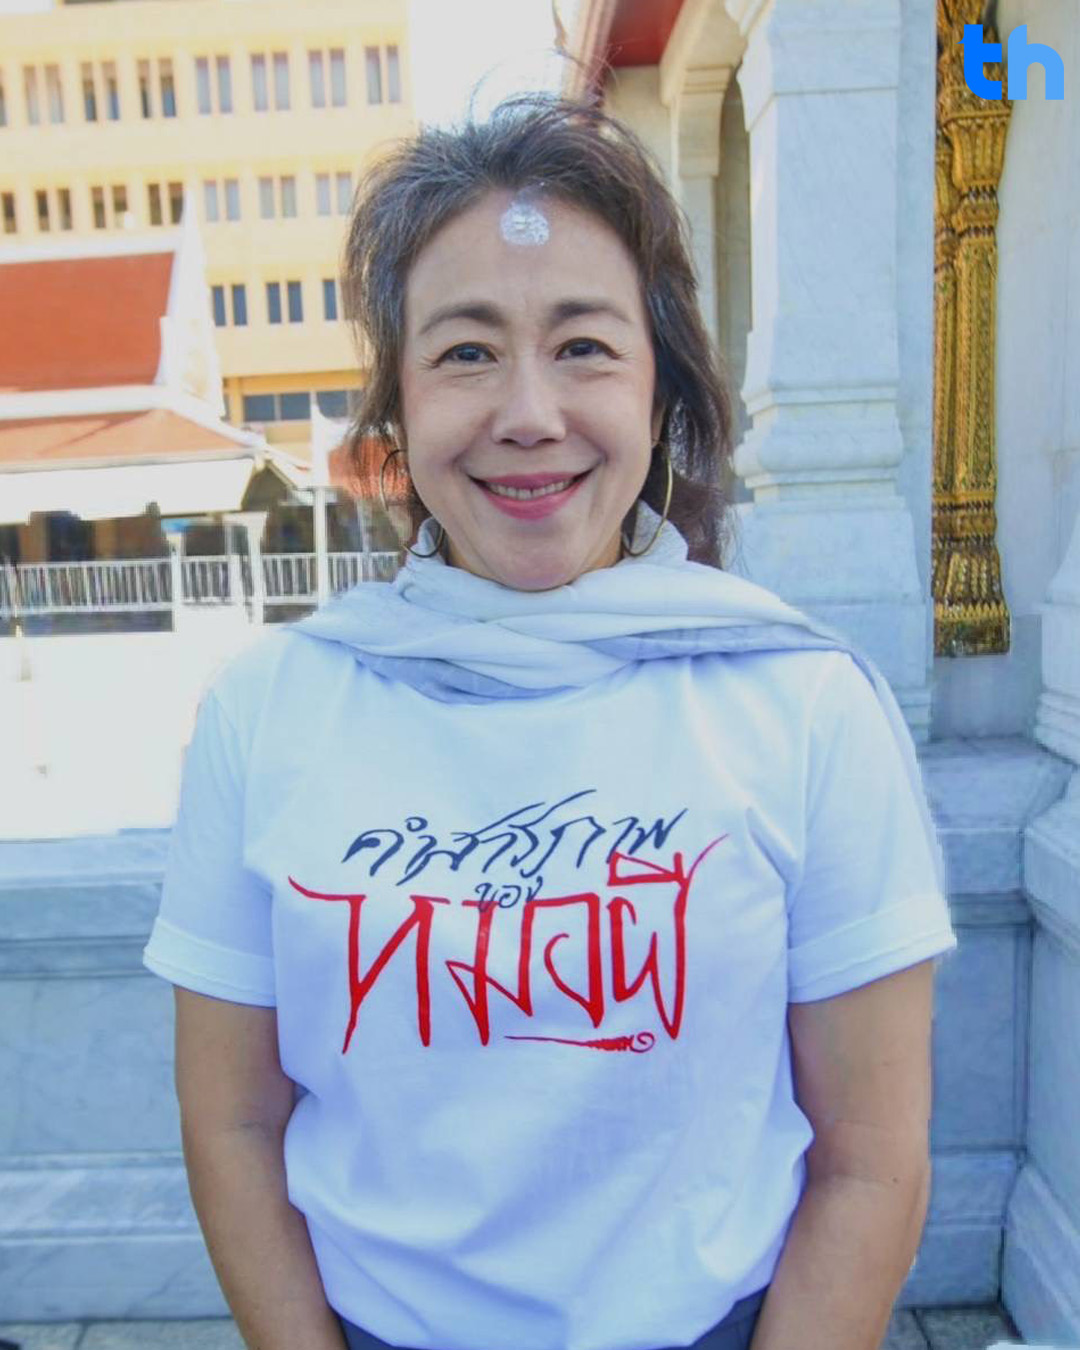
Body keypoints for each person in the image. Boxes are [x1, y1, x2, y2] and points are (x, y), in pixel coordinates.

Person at [143, 94, 958, 1350]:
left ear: (661, 390)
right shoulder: (271, 710)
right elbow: (236, 1124)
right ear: (397, 412)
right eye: (467, 353)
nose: (528, 412)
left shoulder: (801, 706)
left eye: (584, 346)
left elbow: (870, 1159)